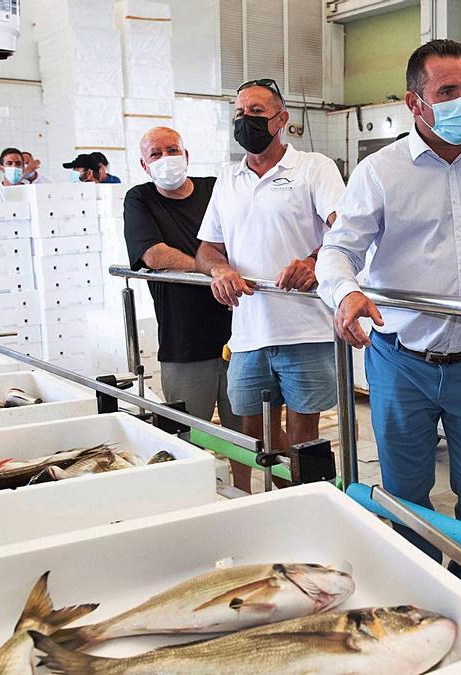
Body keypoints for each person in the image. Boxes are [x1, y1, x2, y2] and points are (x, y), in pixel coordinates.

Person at [317, 39, 461, 595]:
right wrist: (345, 293)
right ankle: (418, 587)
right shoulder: (379, 172)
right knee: (405, 488)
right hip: (400, 360)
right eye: (447, 91)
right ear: (414, 101)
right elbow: (338, 249)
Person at [196, 77, 344, 493]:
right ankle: (264, 500)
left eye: (257, 112)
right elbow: (207, 248)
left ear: (282, 118)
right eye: (240, 114)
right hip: (248, 331)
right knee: (253, 427)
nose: (246, 121)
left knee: (304, 429)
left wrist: (316, 261)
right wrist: (219, 270)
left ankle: (306, 504)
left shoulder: (314, 167)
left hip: (305, 327)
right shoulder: (227, 178)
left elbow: (347, 230)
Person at [124, 127, 238, 430]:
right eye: (156, 154)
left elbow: (245, 240)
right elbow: (154, 255)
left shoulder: (215, 189)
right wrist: (214, 271)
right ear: (144, 165)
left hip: (238, 333)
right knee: (186, 431)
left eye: (173, 150)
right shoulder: (141, 199)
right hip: (184, 339)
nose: (166, 159)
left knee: (245, 433)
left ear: (186, 155)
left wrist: (221, 273)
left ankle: (242, 481)